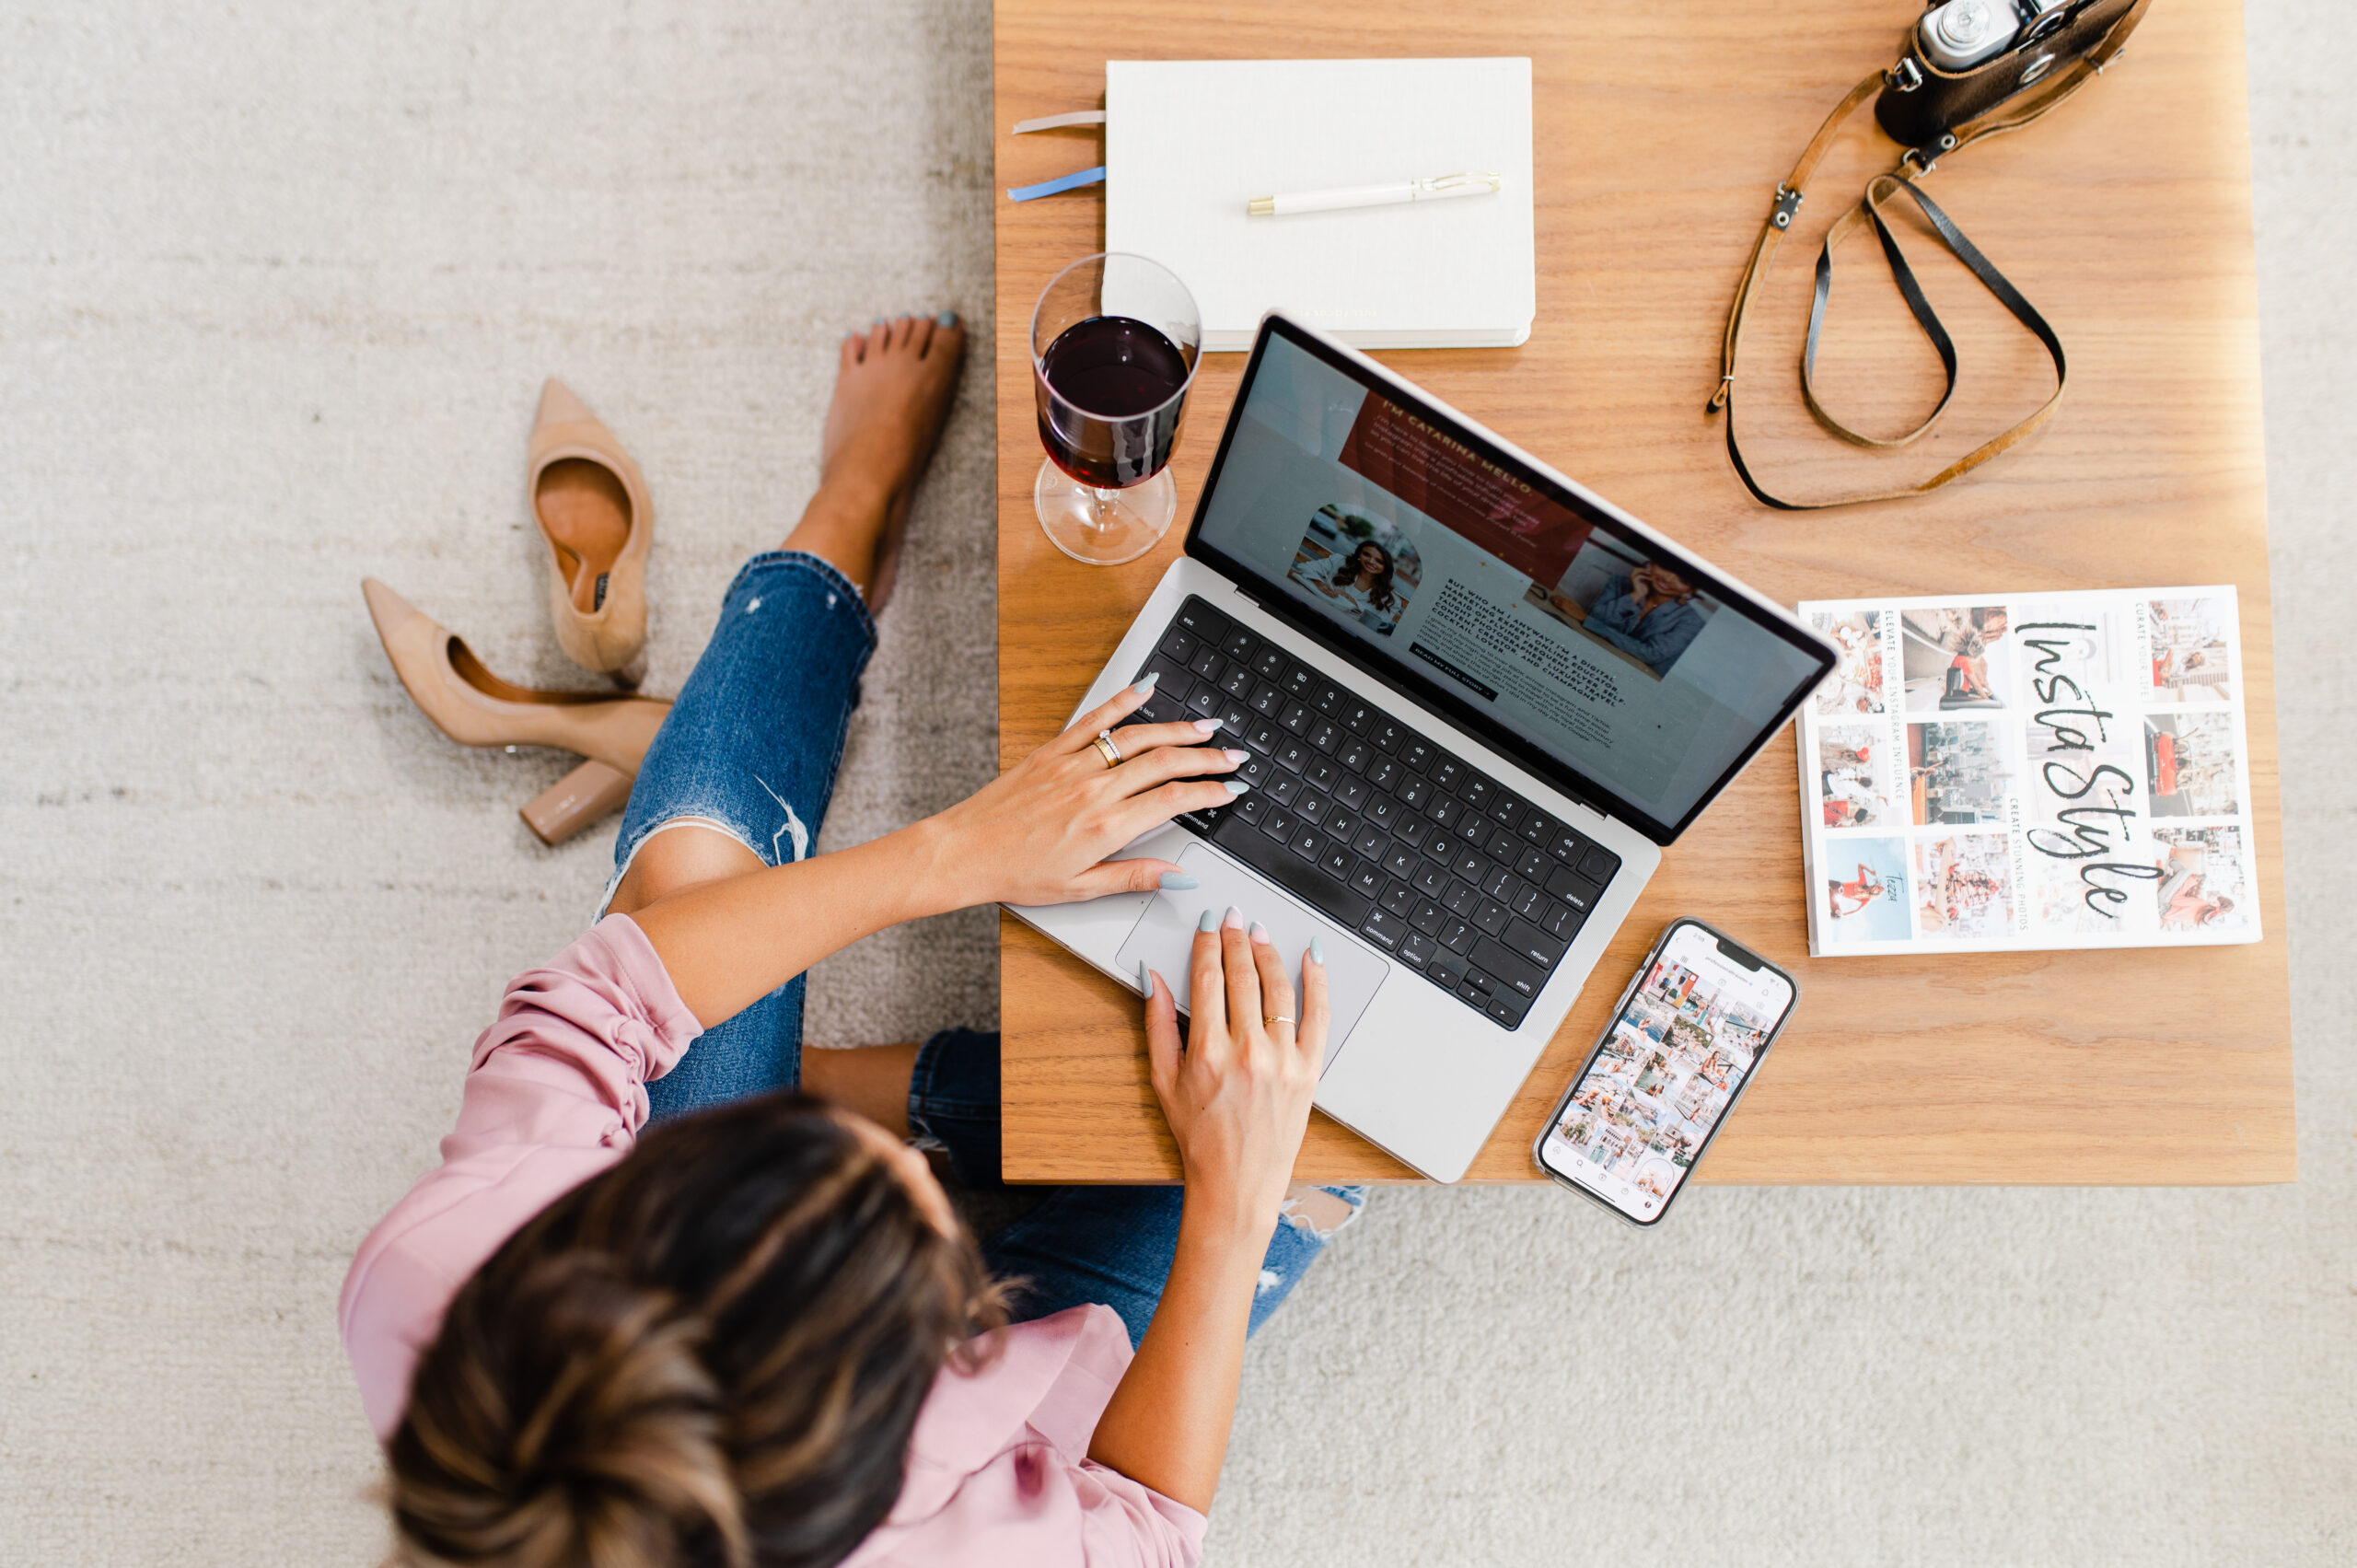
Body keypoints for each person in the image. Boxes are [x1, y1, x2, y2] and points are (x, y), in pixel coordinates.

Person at [343, 315, 1364, 1568]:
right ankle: (894, 1086)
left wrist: (957, 850)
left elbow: (607, 992)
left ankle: (852, 504)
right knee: (1319, 1103)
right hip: (1004, 1447)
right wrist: (1236, 1198)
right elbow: (1146, 1530)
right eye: (908, 1231)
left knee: (686, 879)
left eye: (758, 1158)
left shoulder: (448, 1280)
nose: (912, 1188)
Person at [1582, 561, 1707, 675]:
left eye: (1683, 580)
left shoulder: (1693, 622)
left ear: (1691, 590)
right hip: (1593, 659)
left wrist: (1589, 622)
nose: (1668, 579)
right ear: (1652, 563)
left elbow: (1650, 654)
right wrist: (1635, 596)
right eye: (1666, 567)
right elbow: (1596, 617)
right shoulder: (1619, 583)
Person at [1322, 536, 1402, 633]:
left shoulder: (1391, 600)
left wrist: (1351, 600)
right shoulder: (1340, 562)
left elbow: (1378, 627)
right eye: (1367, 554)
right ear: (1359, 554)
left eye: (1379, 561)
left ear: (1386, 567)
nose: (1371, 562)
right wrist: (1319, 584)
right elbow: (1305, 568)